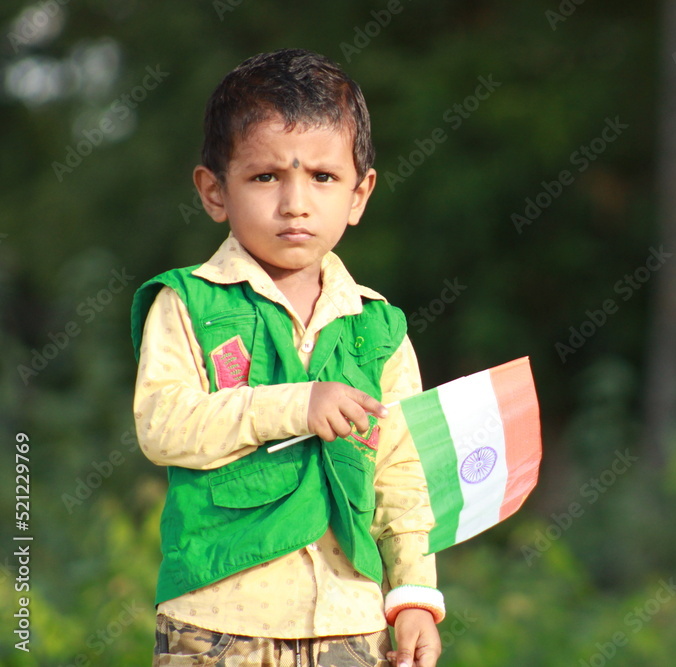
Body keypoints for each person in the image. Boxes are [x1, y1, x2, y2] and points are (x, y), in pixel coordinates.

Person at [130, 48, 443, 667]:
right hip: (216, 620)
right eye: (266, 176)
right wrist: (297, 405)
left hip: (350, 622)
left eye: (323, 178)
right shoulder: (187, 303)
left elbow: (402, 472)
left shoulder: (377, 326)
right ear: (214, 191)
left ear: (359, 194)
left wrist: (412, 597)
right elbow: (163, 424)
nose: (295, 203)